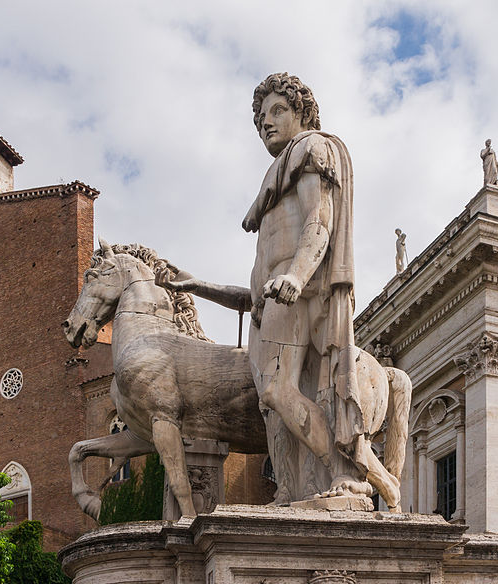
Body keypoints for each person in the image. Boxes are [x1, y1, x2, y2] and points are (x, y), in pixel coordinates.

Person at [157, 73, 370, 502]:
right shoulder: (276, 177)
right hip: (279, 296)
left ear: (301, 112)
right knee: (276, 403)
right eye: (259, 119)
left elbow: (319, 220)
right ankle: (298, 488)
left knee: (277, 390)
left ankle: (346, 471)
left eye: (277, 111)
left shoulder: (311, 149)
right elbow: (252, 294)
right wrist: (197, 285)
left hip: (301, 289)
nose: (266, 124)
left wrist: (296, 275)